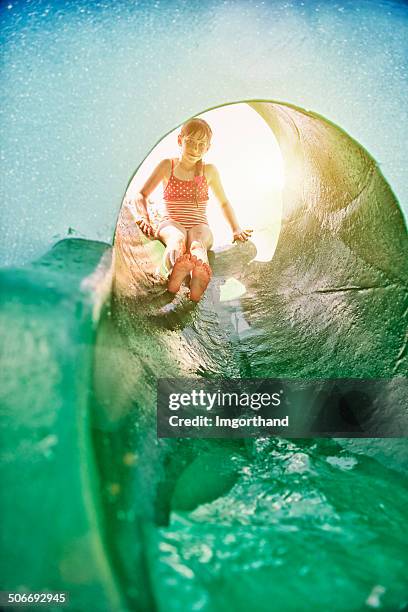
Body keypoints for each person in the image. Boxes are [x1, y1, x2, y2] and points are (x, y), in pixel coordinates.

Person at [127, 117, 252, 302]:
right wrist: (144, 217)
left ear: (208, 147)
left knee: (197, 244)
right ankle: (174, 274)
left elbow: (224, 202)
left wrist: (236, 228)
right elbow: (141, 195)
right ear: (180, 140)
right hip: (171, 222)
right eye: (190, 142)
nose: (195, 149)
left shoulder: (209, 171)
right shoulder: (166, 166)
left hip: (199, 224)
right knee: (176, 240)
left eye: (201, 144)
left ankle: (198, 279)